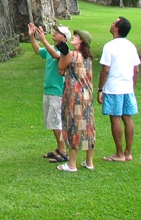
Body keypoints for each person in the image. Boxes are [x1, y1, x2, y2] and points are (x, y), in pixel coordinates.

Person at [98, 16, 141, 162]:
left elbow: (105, 70)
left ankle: (119, 153)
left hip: (113, 88)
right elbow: (136, 70)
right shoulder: (131, 46)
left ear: (116, 28)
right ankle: (128, 153)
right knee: (127, 118)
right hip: (127, 88)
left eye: (113, 23)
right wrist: (132, 87)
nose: (111, 25)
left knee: (115, 118)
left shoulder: (109, 46)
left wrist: (100, 89)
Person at [28, 22, 70, 163]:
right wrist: (32, 37)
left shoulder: (64, 51)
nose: (55, 33)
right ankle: (59, 148)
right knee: (52, 121)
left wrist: (43, 39)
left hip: (57, 91)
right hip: (49, 89)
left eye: (58, 32)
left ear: (64, 38)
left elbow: (55, 56)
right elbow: (38, 51)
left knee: (56, 121)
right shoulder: (51, 47)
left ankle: (63, 151)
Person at [55, 29, 96, 172]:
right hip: (87, 95)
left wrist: (63, 55)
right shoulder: (88, 57)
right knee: (88, 127)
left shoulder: (73, 55)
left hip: (74, 96)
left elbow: (61, 67)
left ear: (81, 41)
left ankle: (72, 164)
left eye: (77, 36)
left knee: (74, 126)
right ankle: (89, 162)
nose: (74, 37)